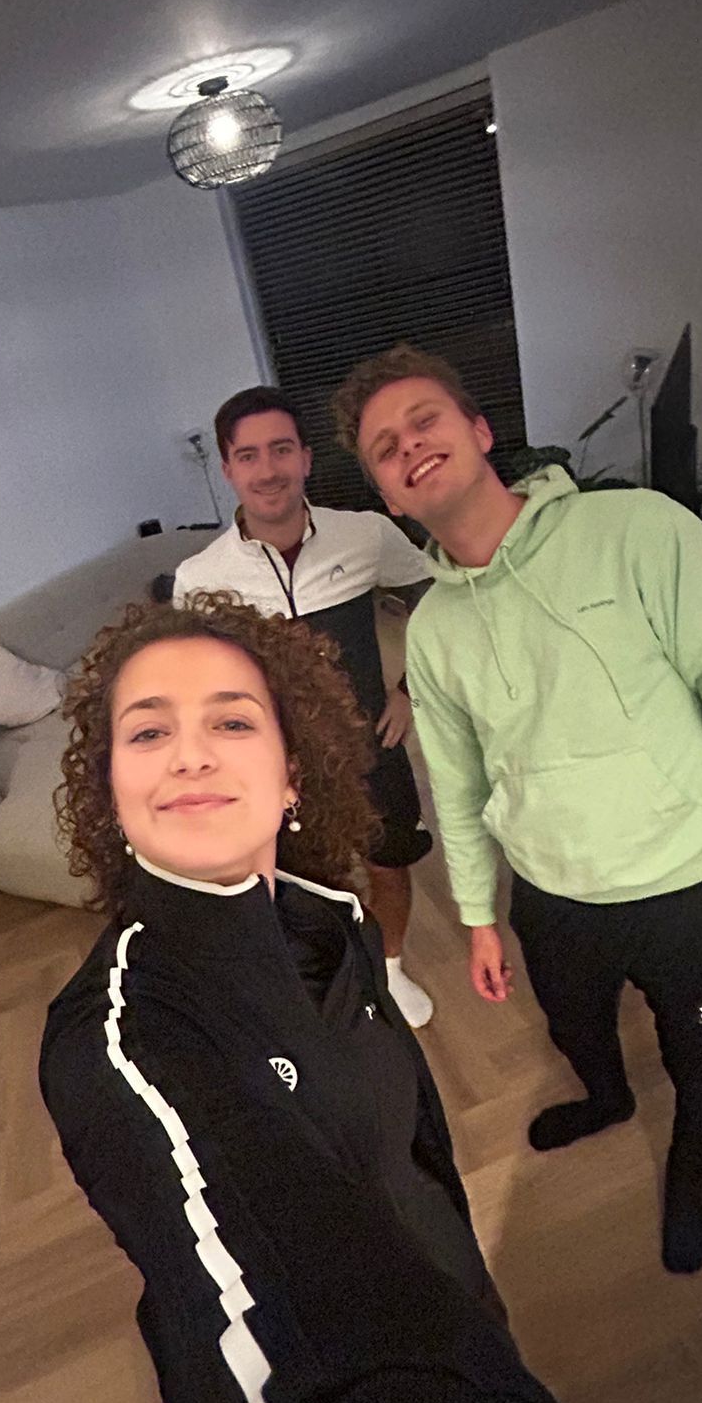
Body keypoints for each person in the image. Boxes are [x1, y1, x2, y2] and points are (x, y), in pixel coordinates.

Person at [39, 594, 702, 1403]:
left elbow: (414, 1146)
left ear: (291, 773)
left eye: (231, 721)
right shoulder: (123, 1038)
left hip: (461, 1308)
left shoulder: (330, 924)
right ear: (111, 791)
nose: (189, 754)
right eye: (148, 730)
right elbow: (293, 1344)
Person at [331, 345, 702, 1277]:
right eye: (385, 448)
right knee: (577, 1030)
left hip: (689, 885)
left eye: (424, 420)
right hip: (550, 897)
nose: (409, 446)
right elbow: (458, 787)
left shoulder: (640, 531)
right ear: (387, 495)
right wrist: (478, 917)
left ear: (479, 431)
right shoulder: (434, 631)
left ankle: (691, 1174)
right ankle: (609, 1100)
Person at [174, 385, 437, 1027]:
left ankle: (390, 967)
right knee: (290, 881)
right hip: (269, 767)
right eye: (249, 455)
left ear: (307, 458)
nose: (268, 470)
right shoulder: (199, 578)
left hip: (369, 744)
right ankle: (324, 977)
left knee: (389, 862)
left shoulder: (366, 534)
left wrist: (412, 692)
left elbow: (438, 599)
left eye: (281, 449)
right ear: (228, 468)